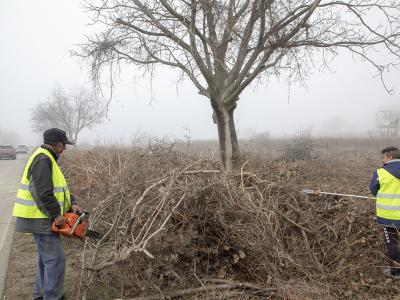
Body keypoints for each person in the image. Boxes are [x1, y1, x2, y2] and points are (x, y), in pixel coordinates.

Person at [12, 128, 83, 300]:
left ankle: (40, 295)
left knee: (46, 261)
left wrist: (71, 204)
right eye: (63, 144)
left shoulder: (47, 157)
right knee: (55, 261)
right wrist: (56, 215)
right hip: (40, 218)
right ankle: (53, 297)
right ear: (57, 143)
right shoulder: (43, 158)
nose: (64, 148)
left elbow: (58, 190)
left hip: (41, 217)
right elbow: (42, 192)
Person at [370, 146, 400, 279]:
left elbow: (373, 189)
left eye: (384, 157)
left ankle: (396, 272)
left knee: (392, 243)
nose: (383, 160)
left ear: (390, 157)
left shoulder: (380, 173)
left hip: (389, 217)